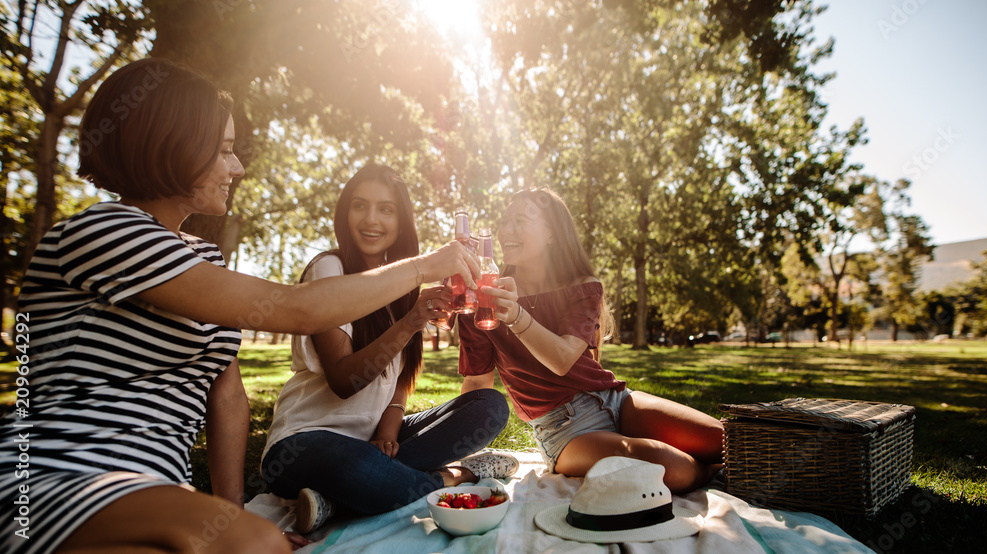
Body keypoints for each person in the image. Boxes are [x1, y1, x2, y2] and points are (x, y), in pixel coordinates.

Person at [0, 58, 481, 554]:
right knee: (254, 547)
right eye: (224, 150)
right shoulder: (105, 232)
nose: (238, 166)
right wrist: (424, 266)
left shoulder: (202, 256)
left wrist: (228, 515)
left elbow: (227, 396)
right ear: (174, 144)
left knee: (248, 542)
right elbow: (300, 309)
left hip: (151, 488)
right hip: (57, 472)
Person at [260, 165, 516, 533]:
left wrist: (390, 431)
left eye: (386, 209)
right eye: (360, 206)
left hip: (370, 440)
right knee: (360, 469)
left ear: (401, 221)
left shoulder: (402, 282)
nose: (371, 219)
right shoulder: (329, 268)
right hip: (303, 443)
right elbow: (344, 380)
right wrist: (411, 321)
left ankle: (337, 500)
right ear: (344, 213)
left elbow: (399, 380)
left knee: (489, 407)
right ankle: (457, 476)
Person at [459, 188, 724, 494]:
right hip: (563, 430)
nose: (507, 230)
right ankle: (711, 471)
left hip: (615, 400)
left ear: (551, 233)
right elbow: (478, 385)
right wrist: (457, 452)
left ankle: (718, 466)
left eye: (520, 220)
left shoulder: (583, 287)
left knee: (723, 440)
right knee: (675, 470)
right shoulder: (484, 299)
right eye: (505, 221)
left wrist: (517, 315)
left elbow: (563, 357)